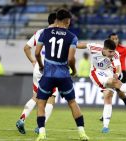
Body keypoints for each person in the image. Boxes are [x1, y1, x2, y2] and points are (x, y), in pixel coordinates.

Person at [77, 39, 126, 133]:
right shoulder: (95, 47)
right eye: (110, 51)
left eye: (113, 51)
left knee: (108, 96)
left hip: (108, 73)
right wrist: (72, 45)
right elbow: (83, 45)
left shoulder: (115, 54)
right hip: (96, 73)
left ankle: (105, 127)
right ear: (104, 49)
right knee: (116, 83)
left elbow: (118, 67)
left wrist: (117, 74)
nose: (112, 53)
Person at [35, 9, 89, 141]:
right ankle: (82, 133)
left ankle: (42, 133)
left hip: (48, 75)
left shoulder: (45, 33)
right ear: (67, 21)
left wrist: (41, 66)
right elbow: (71, 59)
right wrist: (74, 71)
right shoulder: (72, 37)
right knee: (72, 102)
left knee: (41, 102)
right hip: (64, 76)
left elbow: (37, 53)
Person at [15, 12, 57, 135]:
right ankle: (40, 127)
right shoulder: (59, 34)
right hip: (51, 69)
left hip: (38, 68)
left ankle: (22, 119)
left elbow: (26, 48)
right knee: (52, 98)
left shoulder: (39, 32)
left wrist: (33, 61)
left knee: (35, 96)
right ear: (55, 21)